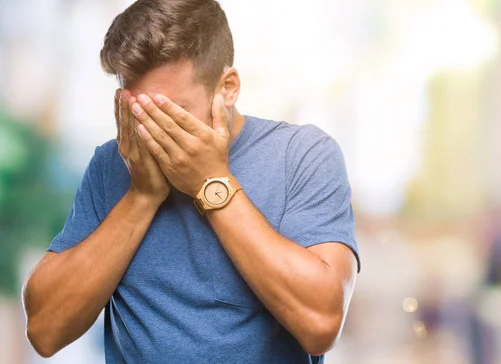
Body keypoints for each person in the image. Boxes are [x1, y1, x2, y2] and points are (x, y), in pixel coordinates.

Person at [22, 0, 360, 363]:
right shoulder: (113, 163)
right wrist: (141, 197)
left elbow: (321, 324)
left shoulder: (303, 156)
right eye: (139, 112)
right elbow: (45, 330)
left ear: (228, 87)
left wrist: (213, 183)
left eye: (171, 113)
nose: (153, 133)